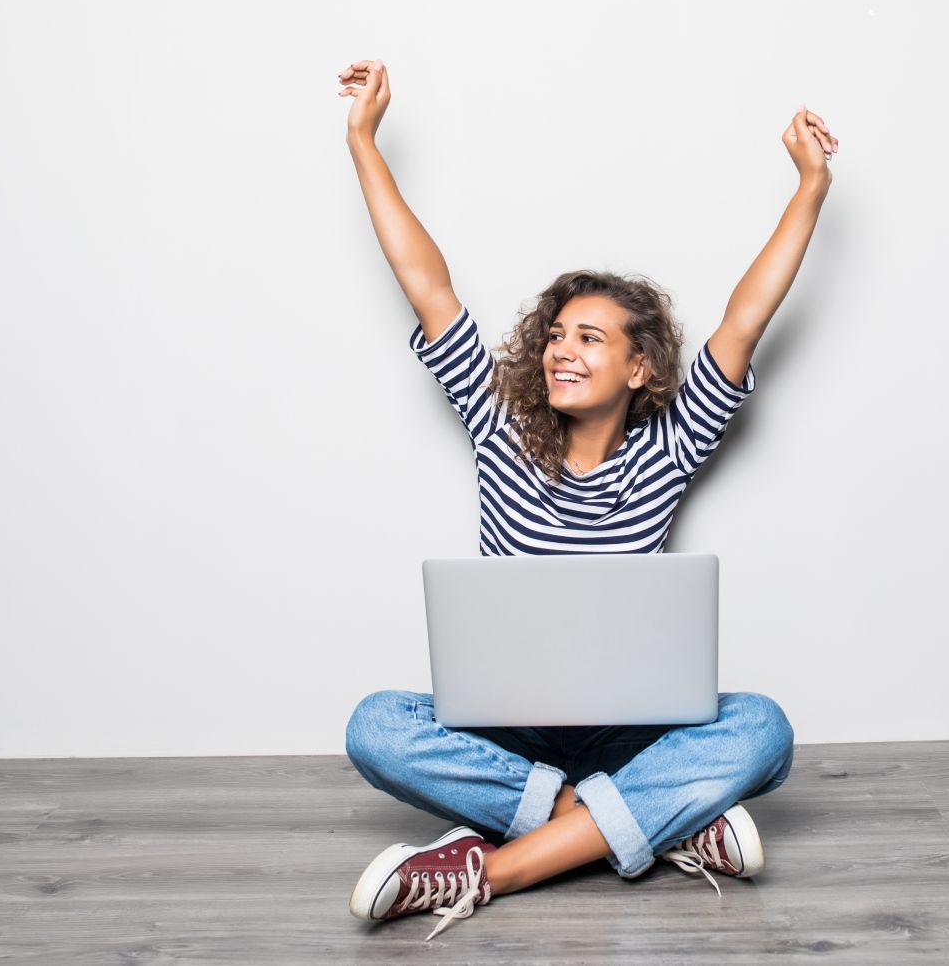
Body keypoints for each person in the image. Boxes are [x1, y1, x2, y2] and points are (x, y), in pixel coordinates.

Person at [335, 57, 836, 940]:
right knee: (376, 726)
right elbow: (429, 283)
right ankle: (655, 825)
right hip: (509, 731)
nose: (563, 349)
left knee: (766, 730)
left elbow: (745, 319)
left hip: (626, 733)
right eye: (558, 334)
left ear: (638, 368)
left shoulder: (670, 448)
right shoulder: (499, 424)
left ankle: (489, 868)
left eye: (591, 338)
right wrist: (364, 142)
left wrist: (810, 187)